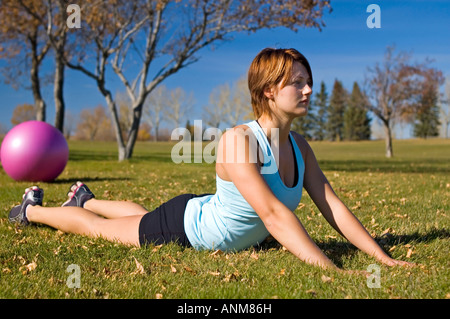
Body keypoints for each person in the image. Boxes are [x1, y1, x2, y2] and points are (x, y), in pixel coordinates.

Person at [9, 48, 413, 272]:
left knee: (137, 217)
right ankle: (32, 212)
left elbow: (333, 207)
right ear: (269, 91)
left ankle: (87, 197)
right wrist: (332, 270)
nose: (308, 90)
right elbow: (272, 216)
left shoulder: (300, 147)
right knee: (102, 230)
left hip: (201, 211)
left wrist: (383, 258)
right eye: (297, 83)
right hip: (186, 227)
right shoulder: (238, 141)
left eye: (309, 81)